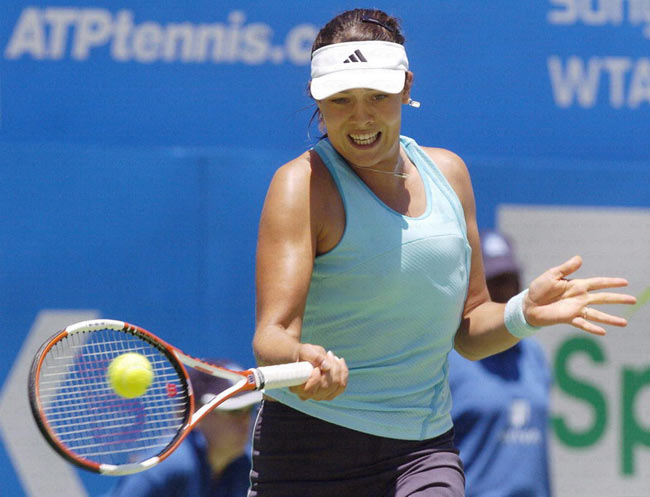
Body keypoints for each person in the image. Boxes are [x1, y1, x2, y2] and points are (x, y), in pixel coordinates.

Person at [250, 8, 636, 497]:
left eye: (378, 97)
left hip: (421, 452)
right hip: (307, 453)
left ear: (407, 87)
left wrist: (524, 312)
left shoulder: (450, 174)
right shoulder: (300, 186)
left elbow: (470, 328)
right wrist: (303, 360)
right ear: (316, 100)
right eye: (341, 100)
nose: (361, 116)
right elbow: (272, 335)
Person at [448, 230, 553, 497]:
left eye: (510, 280)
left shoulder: (533, 354)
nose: (505, 291)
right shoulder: (450, 358)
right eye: (493, 282)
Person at [104, 359, 261, 497]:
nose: (244, 420)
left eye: (250, 408)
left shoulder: (246, 467)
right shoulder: (169, 469)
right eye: (233, 411)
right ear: (196, 414)